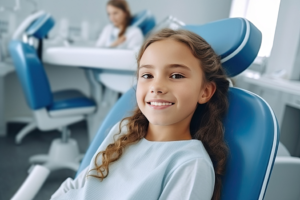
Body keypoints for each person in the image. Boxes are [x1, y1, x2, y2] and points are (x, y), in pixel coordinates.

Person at [51, 28, 229, 200]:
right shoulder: (124, 132)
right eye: (147, 75)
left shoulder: (190, 165)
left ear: (205, 91)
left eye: (176, 75)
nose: (156, 87)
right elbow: (79, 185)